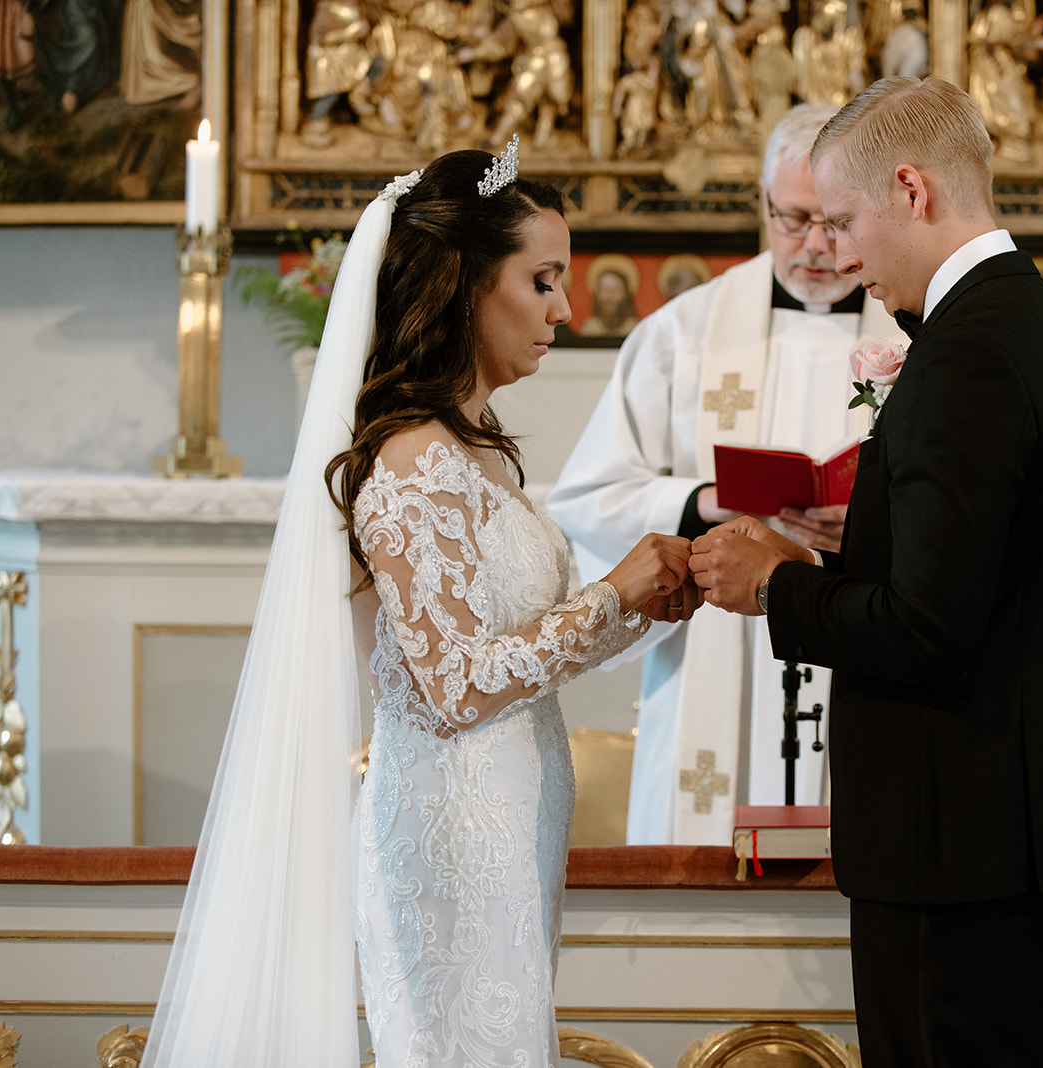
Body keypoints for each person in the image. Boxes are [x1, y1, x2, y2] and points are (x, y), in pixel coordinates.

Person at [142, 142, 698, 1068]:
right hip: (451, 830)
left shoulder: (471, 448)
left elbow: (512, 647)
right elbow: (456, 685)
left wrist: (642, 601)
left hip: (510, 815)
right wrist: (613, 590)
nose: (564, 309)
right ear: (468, 286)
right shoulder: (411, 460)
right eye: (542, 280)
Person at [688, 76, 1043, 1067]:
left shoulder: (965, 354)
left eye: (845, 221)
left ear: (911, 191)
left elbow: (927, 629)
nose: (841, 254)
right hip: (1021, 822)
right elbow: (993, 572)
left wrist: (776, 586)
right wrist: (850, 548)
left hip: (955, 838)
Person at [548, 102, 898, 845]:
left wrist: (872, 520)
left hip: (857, 632)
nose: (814, 245)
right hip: (710, 641)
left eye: (833, 222)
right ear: (761, 203)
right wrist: (701, 502)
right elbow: (589, 494)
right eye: (792, 219)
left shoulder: (910, 335)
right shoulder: (682, 334)